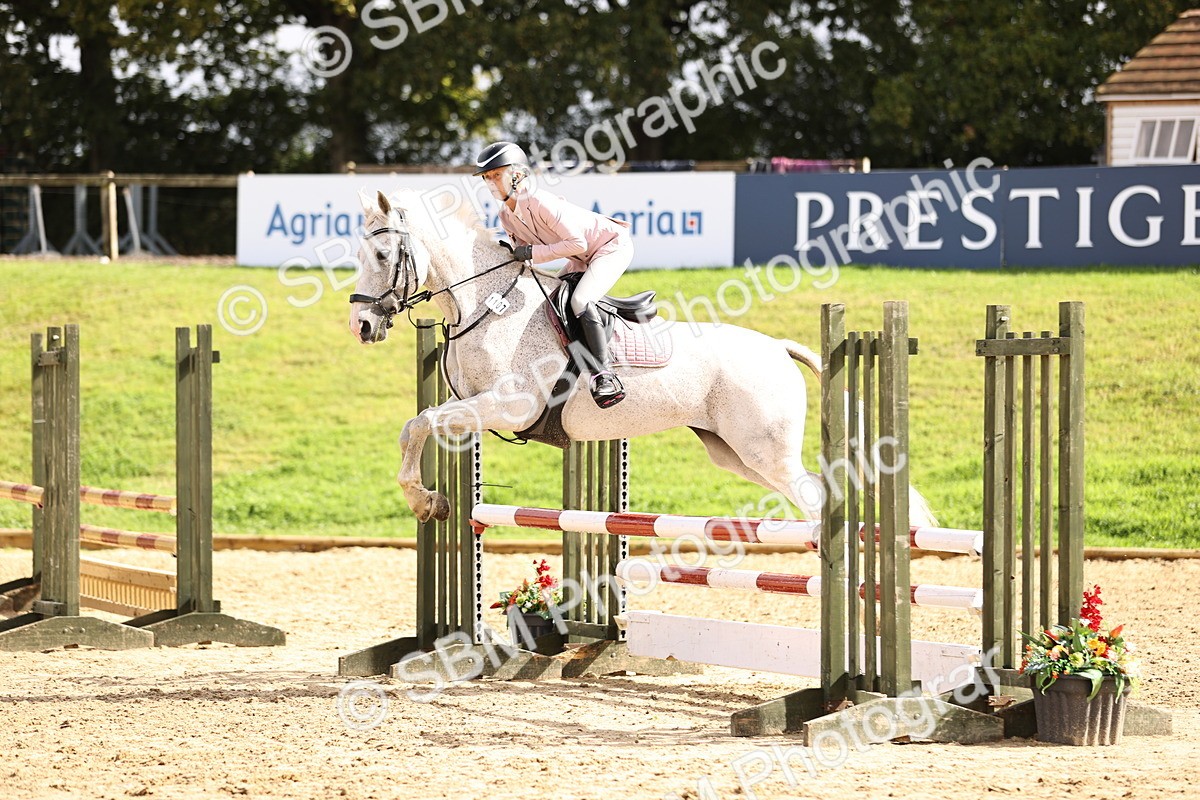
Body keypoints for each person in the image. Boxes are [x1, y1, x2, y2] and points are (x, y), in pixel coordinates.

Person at [474, 141, 632, 409]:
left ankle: (605, 375)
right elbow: (522, 255)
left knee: (580, 301)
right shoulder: (506, 215)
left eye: (496, 175)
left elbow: (577, 244)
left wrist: (532, 252)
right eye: (487, 178)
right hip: (580, 258)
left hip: (609, 247)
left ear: (516, 174)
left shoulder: (539, 201)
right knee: (551, 301)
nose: (491, 183)